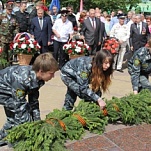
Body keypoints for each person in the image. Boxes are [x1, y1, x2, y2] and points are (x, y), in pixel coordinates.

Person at [0, 52, 59, 145]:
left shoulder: (39, 79)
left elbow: (34, 102)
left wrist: (38, 122)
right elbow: (19, 106)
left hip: (11, 92)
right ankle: (14, 140)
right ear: (41, 71)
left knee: (14, 118)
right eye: (51, 73)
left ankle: (6, 138)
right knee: (18, 116)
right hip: (3, 92)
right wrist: (31, 129)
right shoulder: (22, 79)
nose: (53, 76)